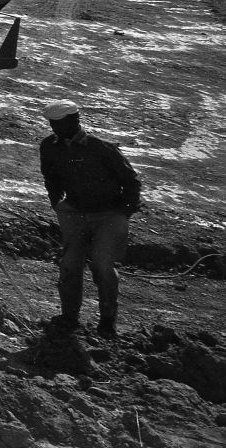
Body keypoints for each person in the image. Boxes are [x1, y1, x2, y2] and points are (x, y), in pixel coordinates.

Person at [38, 101, 141, 338]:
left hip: (109, 215)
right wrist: (57, 204)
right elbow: (50, 177)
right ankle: (69, 317)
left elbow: (131, 181)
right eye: (53, 124)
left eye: (60, 124)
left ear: (75, 121)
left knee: (102, 264)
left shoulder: (101, 148)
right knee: (69, 264)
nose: (55, 129)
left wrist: (124, 212)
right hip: (75, 212)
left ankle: (107, 320)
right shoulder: (50, 147)